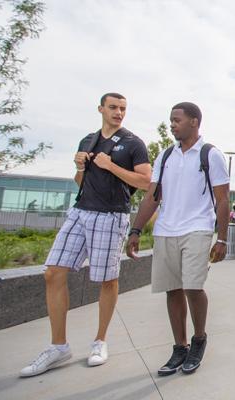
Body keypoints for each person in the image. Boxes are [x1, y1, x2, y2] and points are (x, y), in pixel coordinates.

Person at [20, 93, 151, 377]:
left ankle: (100, 341)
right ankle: (58, 346)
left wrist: (111, 166)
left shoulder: (133, 143)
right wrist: (80, 167)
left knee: (106, 279)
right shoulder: (88, 141)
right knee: (53, 272)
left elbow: (145, 181)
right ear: (101, 109)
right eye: (113, 107)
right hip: (80, 211)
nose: (119, 112)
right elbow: (83, 181)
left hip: (110, 214)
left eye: (123, 109)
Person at [127, 102, 229, 376]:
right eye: (170, 120)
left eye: (177, 120)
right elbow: (152, 196)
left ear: (194, 122)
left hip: (197, 228)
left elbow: (222, 200)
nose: (172, 124)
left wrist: (222, 239)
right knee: (172, 289)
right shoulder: (165, 156)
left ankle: (198, 340)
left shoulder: (211, 155)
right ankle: (179, 347)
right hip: (166, 230)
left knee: (193, 287)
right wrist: (135, 230)